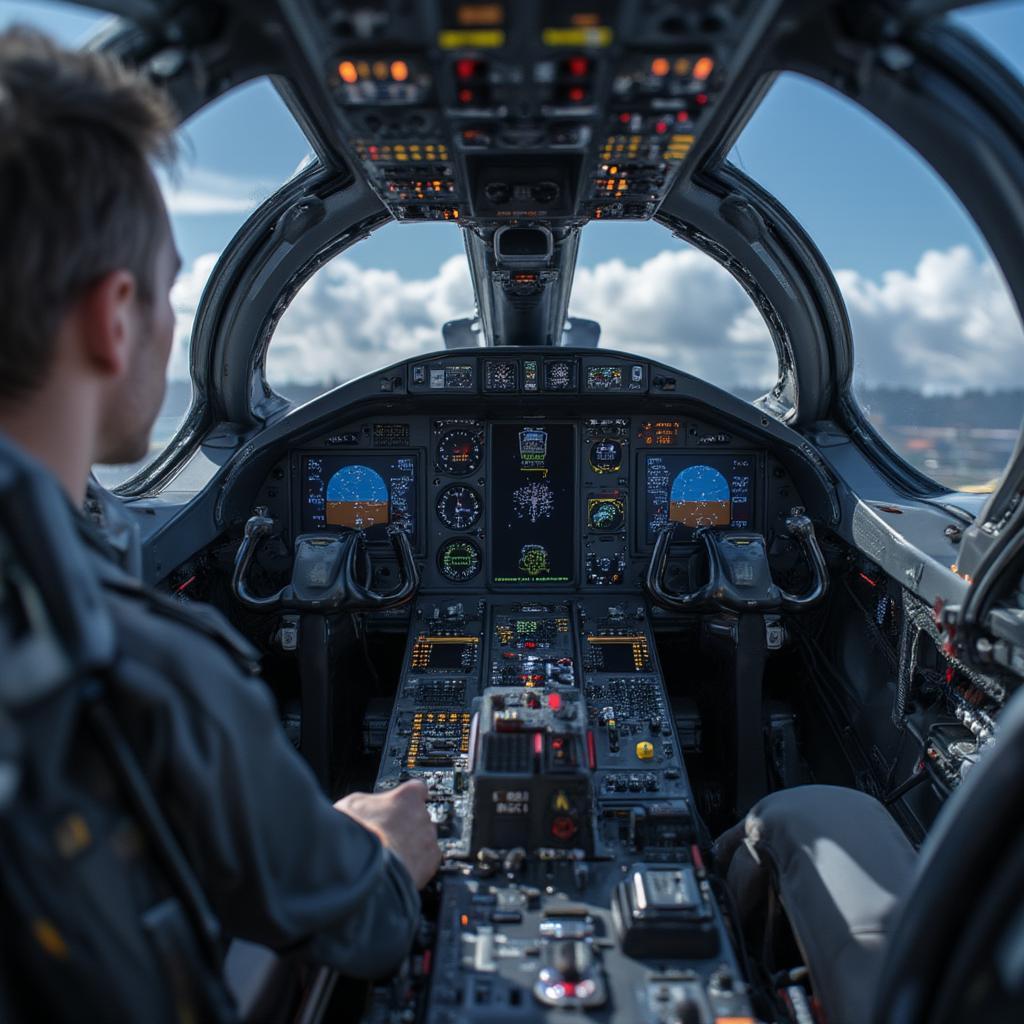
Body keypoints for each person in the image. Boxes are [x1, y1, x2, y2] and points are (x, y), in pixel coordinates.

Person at [0, 23, 441, 1004]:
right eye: (166, 294)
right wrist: (375, 842)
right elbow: (366, 921)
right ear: (113, 319)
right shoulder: (141, 671)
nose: (167, 326)